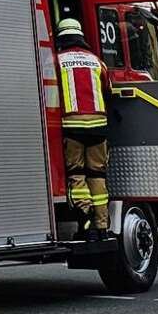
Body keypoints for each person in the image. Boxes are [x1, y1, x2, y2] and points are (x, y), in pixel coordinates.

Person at [54, 17, 110, 235]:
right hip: (99, 128)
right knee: (97, 176)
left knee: (77, 174)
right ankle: (102, 226)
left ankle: (84, 222)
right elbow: (107, 89)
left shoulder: (57, 61)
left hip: (72, 127)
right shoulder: (96, 61)